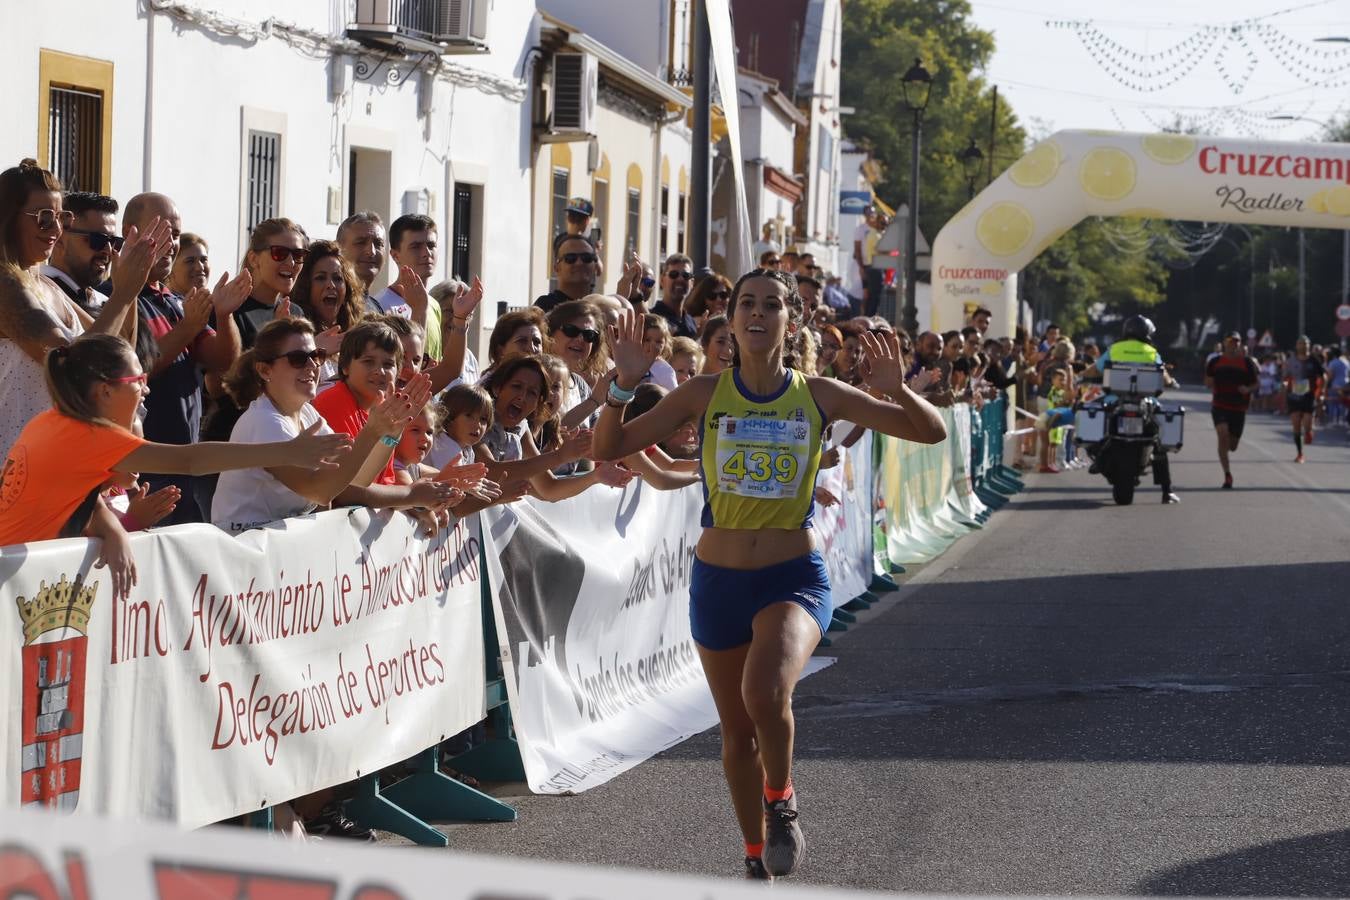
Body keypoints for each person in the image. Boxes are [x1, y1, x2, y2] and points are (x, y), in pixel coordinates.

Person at [593, 269, 945, 882]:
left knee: (765, 694)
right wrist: (623, 385)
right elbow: (608, 448)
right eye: (746, 304)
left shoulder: (822, 395)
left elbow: (929, 431)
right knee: (736, 733)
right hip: (717, 581)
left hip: (792, 577)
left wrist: (896, 391)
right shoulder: (702, 394)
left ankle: (780, 802)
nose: (758, 314)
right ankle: (756, 857)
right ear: (730, 320)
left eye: (772, 304)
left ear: (791, 319)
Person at [0, 332, 349, 577]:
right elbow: (190, 460)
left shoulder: (52, 420)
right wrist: (287, 450)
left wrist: (116, 531)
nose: (147, 388)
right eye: (139, 379)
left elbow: (82, 498)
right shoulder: (89, 437)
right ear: (106, 391)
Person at [0, 162, 167, 460]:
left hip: (57, 461)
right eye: (44, 218)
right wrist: (124, 292)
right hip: (16, 469)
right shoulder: (5, 285)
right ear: (9, 219)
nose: (56, 230)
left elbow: (119, 353)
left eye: (61, 218)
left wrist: (125, 289)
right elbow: (74, 367)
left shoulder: (46, 287)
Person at [210, 318, 430, 533]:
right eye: (298, 359)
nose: (311, 366)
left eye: (316, 356)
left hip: (278, 553)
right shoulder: (264, 421)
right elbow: (320, 491)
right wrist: (410, 494)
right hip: (245, 555)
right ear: (265, 370)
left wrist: (387, 434)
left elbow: (353, 481)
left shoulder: (307, 413)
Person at [123, 191, 248, 524]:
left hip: (186, 467)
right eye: (162, 232)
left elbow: (221, 360)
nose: (172, 243)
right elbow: (136, 370)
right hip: (146, 473)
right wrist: (190, 326)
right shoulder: (120, 297)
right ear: (131, 233)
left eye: (176, 234)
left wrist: (223, 315)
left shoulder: (172, 301)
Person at [1094, 314, 1179, 503]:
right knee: (1159, 442)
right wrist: (1171, 381)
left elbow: (1096, 369)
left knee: (1093, 417)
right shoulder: (1151, 352)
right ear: (1146, 333)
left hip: (1114, 400)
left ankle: (1097, 458)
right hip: (1145, 402)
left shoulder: (1114, 349)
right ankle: (1167, 490)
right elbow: (1164, 377)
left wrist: (1081, 374)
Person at [374, 214, 442, 358]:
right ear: (395, 255)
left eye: (431, 245)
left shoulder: (434, 305)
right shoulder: (380, 305)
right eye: (416, 247)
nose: (426, 253)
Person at [43, 191, 121, 316]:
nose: (108, 250)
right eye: (98, 239)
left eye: (114, 241)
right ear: (59, 237)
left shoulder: (105, 301)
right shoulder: (38, 293)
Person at [1204, 332, 1259, 488]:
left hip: (1239, 408)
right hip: (1220, 405)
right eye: (1230, 341)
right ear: (1225, 342)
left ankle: (1225, 449)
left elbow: (1256, 384)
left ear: (1240, 344)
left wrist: (1247, 389)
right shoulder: (1215, 362)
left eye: (1236, 342)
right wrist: (1209, 382)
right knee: (1222, 435)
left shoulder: (1247, 363)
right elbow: (1207, 381)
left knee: (1232, 446)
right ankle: (1227, 475)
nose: (1233, 344)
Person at [336, 211, 387, 313]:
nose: (371, 252)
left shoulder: (376, 307)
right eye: (361, 242)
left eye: (378, 244)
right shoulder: (332, 303)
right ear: (339, 248)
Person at [1283, 336, 1324, 463]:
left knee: (1307, 423)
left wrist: (1321, 392)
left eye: (1306, 343)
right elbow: (1285, 376)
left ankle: (1309, 431)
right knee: (1296, 424)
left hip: (1309, 395)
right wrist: (1284, 385)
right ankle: (1300, 454)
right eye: (1301, 343)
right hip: (1294, 395)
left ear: (1309, 345)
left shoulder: (1314, 360)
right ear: (1297, 345)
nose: (1304, 346)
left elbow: (1323, 377)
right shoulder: (1291, 361)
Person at [536, 236, 601, 312]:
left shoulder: (602, 307)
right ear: (556, 268)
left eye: (586, 258)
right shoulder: (543, 308)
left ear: (596, 266)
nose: (579, 263)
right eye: (570, 258)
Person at [651, 252, 697, 338]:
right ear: (662, 280)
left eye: (685, 275)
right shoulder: (652, 318)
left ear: (692, 283)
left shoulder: (691, 323)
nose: (680, 279)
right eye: (674, 274)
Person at [167, 232, 210, 299]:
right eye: (190, 261)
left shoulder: (215, 306)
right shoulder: (157, 306)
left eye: (204, 260)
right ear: (170, 267)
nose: (200, 267)